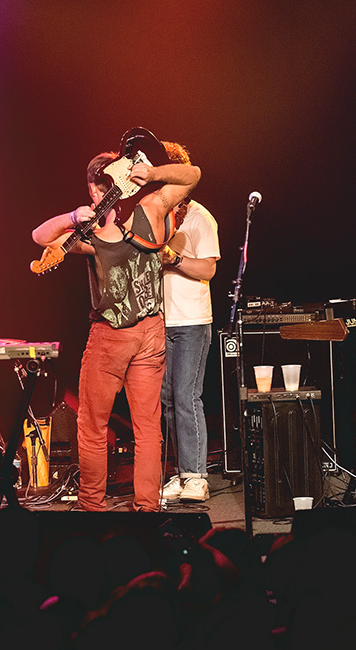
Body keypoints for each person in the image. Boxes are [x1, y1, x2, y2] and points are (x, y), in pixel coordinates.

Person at [31, 133, 200, 512]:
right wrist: (153, 173)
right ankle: (147, 508)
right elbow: (192, 174)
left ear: (94, 188)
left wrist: (72, 217)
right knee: (148, 428)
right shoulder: (154, 207)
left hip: (111, 337)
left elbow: (39, 236)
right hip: (151, 332)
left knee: (92, 426)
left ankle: (92, 507)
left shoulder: (93, 233)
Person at [157, 142, 220, 503]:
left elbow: (208, 269)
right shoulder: (158, 216)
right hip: (163, 322)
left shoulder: (200, 218)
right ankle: (182, 475)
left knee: (186, 397)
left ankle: (198, 476)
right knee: (167, 399)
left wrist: (174, 258)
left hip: (193, 321)